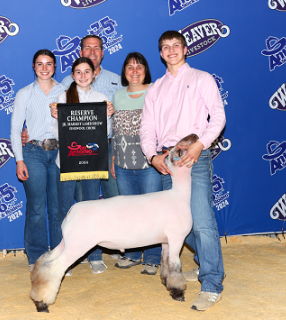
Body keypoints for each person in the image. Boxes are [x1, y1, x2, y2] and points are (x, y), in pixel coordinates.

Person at [140, 31, 226, 311]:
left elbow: (218, 117)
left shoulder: (202, 79)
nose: (171, 50)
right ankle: (205, 265)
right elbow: (148, 128)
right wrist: (152, 156)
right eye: (165, 47)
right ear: (161, 53)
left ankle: (212, 284)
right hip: (167, 159)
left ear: (185, 49)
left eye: (176, 45)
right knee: (177, 225)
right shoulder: (155, 89)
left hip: (194, 157)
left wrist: (200, 145)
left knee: (201, 221)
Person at [50, 57, 114, 274]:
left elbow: (106, 134)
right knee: (64, 209)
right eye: (79, 72)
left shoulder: (101, 98)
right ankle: (63, 256)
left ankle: (94, 256)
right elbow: (55, 133)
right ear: (73, 75)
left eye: (87, 71)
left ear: (94, 74)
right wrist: (57, 117)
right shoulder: (62, 97)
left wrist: (107, 116)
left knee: (91, 210)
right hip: (67, 160)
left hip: (92, 161)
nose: (83, 76)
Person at [10, 49, 66, 270]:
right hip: (33, 153)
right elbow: (15, 129)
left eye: (49, 64)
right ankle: (37, 257)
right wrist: (19, 160)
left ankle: (58, 257)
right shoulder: (24, 93)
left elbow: (74, 124)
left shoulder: (65, 91)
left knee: (58, 209)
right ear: (33, 67)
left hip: (60, 153)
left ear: (55, 66)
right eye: (40, 64)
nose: (44, 68)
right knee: (36, 207)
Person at [111, 52, 163, 275]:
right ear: (124, 72)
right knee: (129, 211)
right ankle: (132, 254)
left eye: (139, 67)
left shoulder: (156, 91)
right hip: (123, 163)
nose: (134, 71)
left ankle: (152, 257)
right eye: (129, 67)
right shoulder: (117, 96)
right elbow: (115, 130)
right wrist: (113, 159)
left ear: (146, 70)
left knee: (151, 210)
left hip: (149, 164)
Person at [62, 35, 122, 203]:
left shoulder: (116, 80)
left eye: (97, 48)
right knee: (84, 202)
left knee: (115, 199)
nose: (92, 52)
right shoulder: (67, 82)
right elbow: (57, 113)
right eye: (88, 48)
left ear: (102, 53)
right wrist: (30, 129)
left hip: (110, 147)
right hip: (79, 150)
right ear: (80, 51)